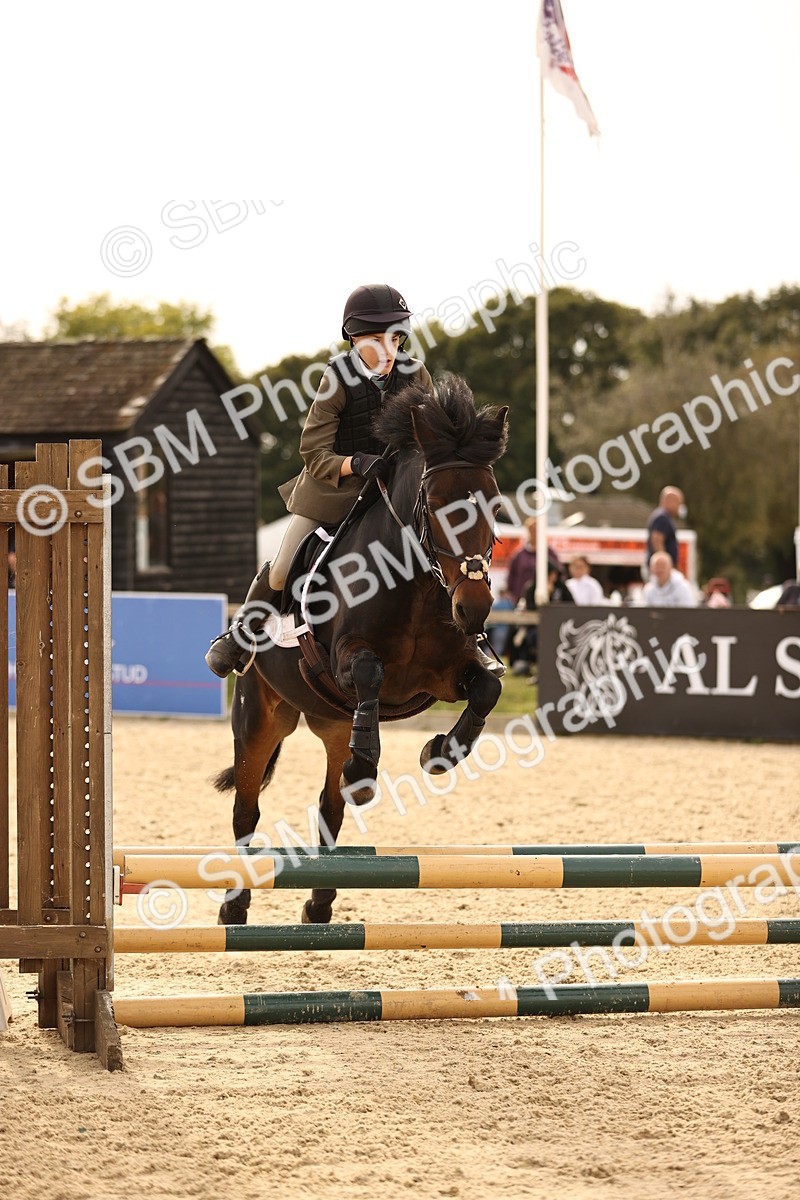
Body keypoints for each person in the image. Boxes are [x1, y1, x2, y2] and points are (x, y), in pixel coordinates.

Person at [205, 283, 504, 678]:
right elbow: (313, 452)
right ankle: (241, 633)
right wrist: (356, 463)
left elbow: (434, 442)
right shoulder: (337, 378)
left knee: (444, 551)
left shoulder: (415, 373)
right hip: (335, 490)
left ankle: (472, 640)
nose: (388, 350)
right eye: (376, 340)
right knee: (282, 568)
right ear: (354, 338)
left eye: (395, 338)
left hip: (396, 493)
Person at [506, 516, 563, 606]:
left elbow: (559, 575)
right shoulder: (519, 555)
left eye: (537, 529)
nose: (535, 532)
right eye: (532, 529)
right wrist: (515, 596)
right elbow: (511, 578)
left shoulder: (550, 554)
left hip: (546, 601)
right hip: (522, 601)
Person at [645, 486, 684, 569]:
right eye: (678, 503)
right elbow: (657, 541)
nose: (679, 507)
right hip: (660, 570)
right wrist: (664, 566)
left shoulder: (664, 517)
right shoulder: (661, 518)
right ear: (669, 501)